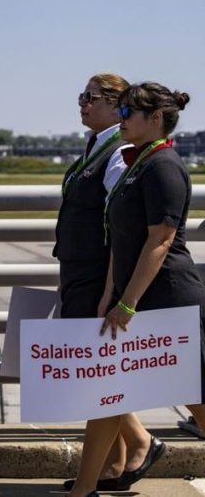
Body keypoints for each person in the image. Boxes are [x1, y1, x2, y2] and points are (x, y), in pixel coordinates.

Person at [67, 82, 205, 497]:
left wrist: (126, 304)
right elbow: (120, 239)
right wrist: (111, 292)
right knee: (108, 392)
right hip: (135, 294)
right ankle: (84, 489)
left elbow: (159, 241)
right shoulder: (136, 163)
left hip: (166, 297)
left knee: (195, 400)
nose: (121, 120)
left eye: (128, 113)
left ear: (156, 119)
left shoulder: (163, 165)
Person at [54, 73, 158, 494]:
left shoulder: (117, 153)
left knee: (98, 374)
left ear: (118, 106)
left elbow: (119, 223)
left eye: (91, 97)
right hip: (81, 269)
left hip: (97, 275)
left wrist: (111, 290)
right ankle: (122, 455)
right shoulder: (98, 147)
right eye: (82, 95)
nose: (82, 103)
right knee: (97, 372)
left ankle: (129, 450)